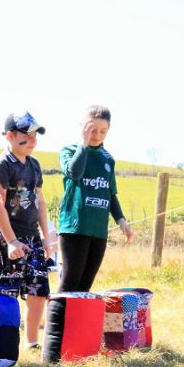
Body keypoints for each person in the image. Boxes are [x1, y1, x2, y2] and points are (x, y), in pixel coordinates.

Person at [0, 111, 51, 350]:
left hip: (32, 234)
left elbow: (41, 202)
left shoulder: (34, 165)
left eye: (36, 136)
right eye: (27, 136)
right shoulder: (1, 165)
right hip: (7, 236)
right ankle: (4, 341)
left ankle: (32, 341)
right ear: (10, 136)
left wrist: (47, 237)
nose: (33, 141)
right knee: (7, 289)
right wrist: (11, 241)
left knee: (38, 288)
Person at [57, 106, 132, 291]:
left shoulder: (107, 159)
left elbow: (110, 193)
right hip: (75, 228)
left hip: (98, 230)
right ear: (83, 127)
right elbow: (75, 173)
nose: (97, 135)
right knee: (69, 284)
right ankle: (57, 321)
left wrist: (121, 219)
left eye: (103, 131)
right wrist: (83, 144)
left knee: (85, 286)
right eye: (92, 130)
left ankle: (78, 321)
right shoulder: (70, 150)